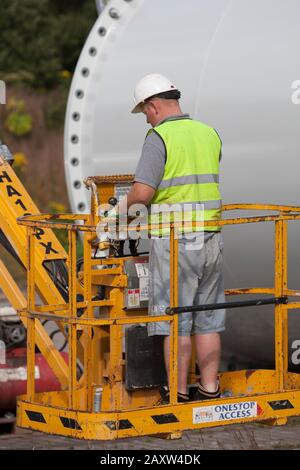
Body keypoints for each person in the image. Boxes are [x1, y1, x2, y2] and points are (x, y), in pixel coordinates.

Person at [124, 73, 225, 403]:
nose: (146, 120)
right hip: (211, 236)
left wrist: (116, 212)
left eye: (145, 114)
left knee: (175, 319)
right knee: (208, 317)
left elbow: (143, 192)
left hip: (176, 238)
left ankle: (179, 394)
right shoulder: (209, 133)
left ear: (153, 106)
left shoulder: (159, 137)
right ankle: (210, 389)